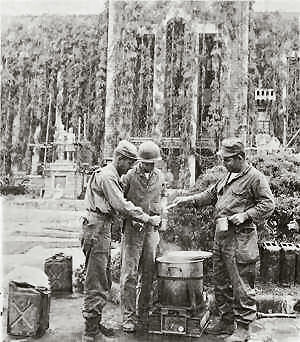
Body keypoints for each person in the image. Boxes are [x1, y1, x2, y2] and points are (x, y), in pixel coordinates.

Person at [171, 137, 275, 342]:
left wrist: (246, 215)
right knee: (221, 282)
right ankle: (226, 322)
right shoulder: (228, 175)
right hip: (222, 238)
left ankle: (243, 329)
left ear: (241, 157)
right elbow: (210, 195)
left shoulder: (255, 178)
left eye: (228, 159)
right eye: (223, 159)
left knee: (241, 284)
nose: (224, 163)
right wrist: (187, 199)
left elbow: (268, 204)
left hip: (240, 240)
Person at [81, 140, 161, 342]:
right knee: (98, 279)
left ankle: (95, 326)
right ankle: (91, 333)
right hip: (99, 228)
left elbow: (159, 198)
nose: (132, 167)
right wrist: (145, 218)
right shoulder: (111, 177)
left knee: (103, 277)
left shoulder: (154, 177)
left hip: (102, 227)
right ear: (121, 159)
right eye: (130, 162)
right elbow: (121, 205)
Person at [120, 140, 166, 333]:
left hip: (151, 233)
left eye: (153, 162)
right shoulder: (129, 175)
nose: (150, 165)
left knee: (148, 274)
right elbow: (119, 202)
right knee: (129, 275)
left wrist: (163, 218)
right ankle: (128, 317)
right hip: (133, 231)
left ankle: (143, 313)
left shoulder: (159, 176)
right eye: (147, 162)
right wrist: (131, 218)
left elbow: (163, 196)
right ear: (140, 161)